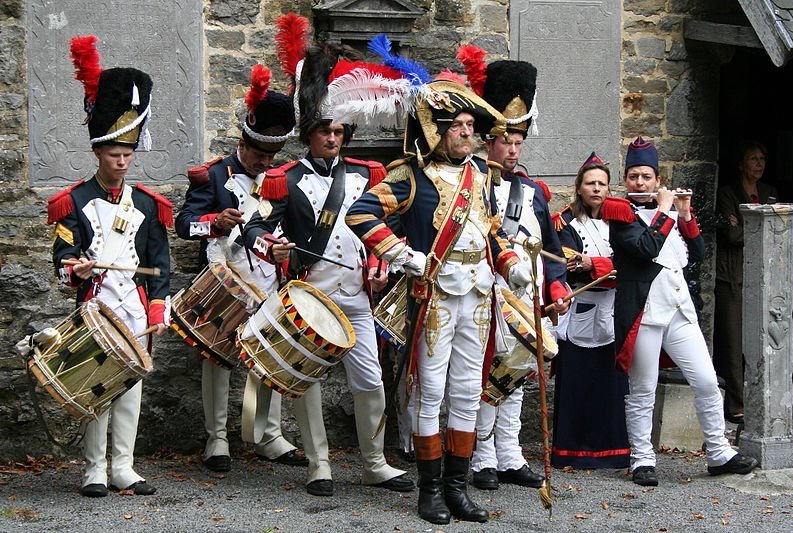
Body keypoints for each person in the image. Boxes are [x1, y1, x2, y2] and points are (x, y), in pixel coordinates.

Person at [347, 78, 534, 524]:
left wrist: (511, 264)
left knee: (468, 394)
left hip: (479, 294)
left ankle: (457, 488)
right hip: (435, 295)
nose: (470, 133)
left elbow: (488, 231)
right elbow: (360, 213)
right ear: (439, 130)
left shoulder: (482, 175)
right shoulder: (409, 175)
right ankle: (429, 490)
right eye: (462, 125)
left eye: (472, 125)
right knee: (431, 394)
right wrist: (402, 253)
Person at [243, 42, 413, 498]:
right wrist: (271, 246)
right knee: (310, 381)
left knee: (370, 380)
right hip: (310, 295)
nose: (333, 138)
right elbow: (254, 226)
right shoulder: (284, 177)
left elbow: (387, 227)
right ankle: (320, 465)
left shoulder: (370, 174)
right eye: (324, 131)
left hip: (357, 295)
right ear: (310, 133)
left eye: (339, 130)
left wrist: (381, 265)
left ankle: (375, 463)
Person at [49, 36, 171, 497]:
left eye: (128, 154)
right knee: (96, 388)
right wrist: (73, 270)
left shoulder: (149, 205)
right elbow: (61, 258)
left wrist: (158, 310)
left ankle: (124, 466)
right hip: (96, 307)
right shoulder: (73, 201)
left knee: (130, 392)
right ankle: (93, 469)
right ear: (98, 153)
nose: (121, 161)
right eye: (113, 154)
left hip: (135, 310)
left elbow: (160, 264)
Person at [174, 65, 309, 473]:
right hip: (224, 279)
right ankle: (217, 440)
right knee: (217, 359)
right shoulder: (213, 175)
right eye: (258, 155)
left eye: (271, 157)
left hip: (268, 279)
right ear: (241, 143)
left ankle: (269, 436)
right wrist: (213, 222)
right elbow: (183, 225)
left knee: (270, 357)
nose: (264, 163)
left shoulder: (281, 179)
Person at [603, 136, 758, 487]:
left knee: (705, 380)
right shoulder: (620, 213)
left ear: (658, 180)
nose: (639, 183)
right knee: (642, 389)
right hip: (643, 313)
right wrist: (663, 212)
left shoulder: (669, 214)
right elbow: (644, 248)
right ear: (626, 180)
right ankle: (642, 458)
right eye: (633, 177)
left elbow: (700, 253)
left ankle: (718, 452)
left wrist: (685, 214)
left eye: (646, 177)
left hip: (677, 311)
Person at [462, 58, 570, 491]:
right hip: (487, 294)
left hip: (528, 296)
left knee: (520, 373)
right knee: (489, 377)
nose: (511, 149)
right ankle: (482, 457)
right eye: (504, 141)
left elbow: (554, 251)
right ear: (489, 142)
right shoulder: (470, 185)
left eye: (518, 141)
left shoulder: (534, 192)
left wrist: (557, 288)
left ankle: (510, 453)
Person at [550, 153, 629, 469]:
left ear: (609, 188)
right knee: (577, 385)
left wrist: (598, 265)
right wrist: (605, 269)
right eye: (590, 183)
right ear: (579, 187)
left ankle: (612, 451)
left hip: (612, 311)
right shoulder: (565, 223)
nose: (596, 189)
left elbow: (632, 264)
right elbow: (571, 266)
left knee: (609, 387)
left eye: (602, 183)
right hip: (580, 311)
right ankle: (572, 451)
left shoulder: (621, 223)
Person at [714, 140, 777, 425]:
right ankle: (737, 403)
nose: (759, 163)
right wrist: (749, 228)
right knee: (732, 340)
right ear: (741, 163)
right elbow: (730, 236)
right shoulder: (728, 193)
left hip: (765, 274)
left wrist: (742, 225)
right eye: (753, 158)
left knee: (766, 338)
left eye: (762, 158)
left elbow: (775, 233)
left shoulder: (770, 193)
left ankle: (764, 401)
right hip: (733, 275)